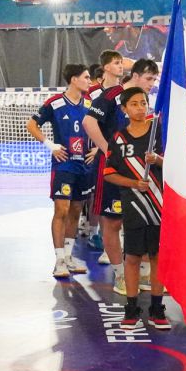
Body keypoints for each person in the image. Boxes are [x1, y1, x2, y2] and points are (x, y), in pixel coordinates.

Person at [102, 87, 169, 331]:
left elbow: (177, 165)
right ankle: (131, 309)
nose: (140, 108)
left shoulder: (159, 131)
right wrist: (133, 183)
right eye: (134, 104)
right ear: (124, 109)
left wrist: (158, 160)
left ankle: (157, 308)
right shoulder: (119, 139)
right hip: (133, 206)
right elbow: (109, 173)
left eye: (143, 103)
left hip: (159, 205)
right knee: (132, 257)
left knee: (157, 257)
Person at [27, 63, 96, 280]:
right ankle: (58, 260)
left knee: (76, 210)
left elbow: (102, 129)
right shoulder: (55, 103)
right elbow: (31, 125)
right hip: (64, 164)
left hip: (84, 165)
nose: (90, 81)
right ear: (74, 79)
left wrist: (97, 148)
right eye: (86, 77)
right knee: (62, 210)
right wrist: (51, 145)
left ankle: (68, 256)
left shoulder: (90, 104)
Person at [85, 51, 127, 268]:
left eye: (121, 63)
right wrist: (103, 148)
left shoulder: (125, 93)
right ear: (106, 67)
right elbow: (88, 122)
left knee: (123, 203)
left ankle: (122, 247)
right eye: (116, 63)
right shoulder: (95, 94)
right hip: (103, 155)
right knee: (104, 203)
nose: (121, 66)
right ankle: (104, 243)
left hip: (125, 156)